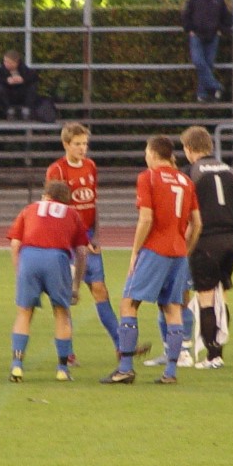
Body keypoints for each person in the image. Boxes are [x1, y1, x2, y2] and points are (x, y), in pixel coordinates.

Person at [46, 121, 150, 362]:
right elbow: (55, 210)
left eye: (85, 143)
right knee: (65, 296)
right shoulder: (56, 170)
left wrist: (95, 236)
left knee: (100, 290)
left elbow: (92, 204)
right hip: (67, 240)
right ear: (66, 144)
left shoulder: (90, 166)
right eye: (77, 144)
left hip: (88, 238)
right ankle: (67, 351)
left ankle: (120, 346)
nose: (82, 148)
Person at [102, 135, 202, 386]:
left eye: (147, 153)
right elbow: (197, 223)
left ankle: (125, 368)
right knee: (172, 308)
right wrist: (185, 248)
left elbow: (146, 218)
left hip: (154, 249)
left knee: (129, 303)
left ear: (154, 154)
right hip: (178, 252)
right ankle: (170, 372)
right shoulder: (186, 181)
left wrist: (135, 251)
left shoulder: (148, 177)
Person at [7, 179, 89, 382]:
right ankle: (62, 369)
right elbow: (82, 252)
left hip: (29, 256)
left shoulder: (29, 209)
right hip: (56, 258)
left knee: (24, 312)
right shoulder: (72, 214)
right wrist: (76, 285)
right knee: (61, 313)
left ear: (46, 196)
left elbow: (15, 244)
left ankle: (17, 366)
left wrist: (19, 272)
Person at [180, 125, 233, 369]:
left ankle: (212, 356)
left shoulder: (191, 172)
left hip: (206, 240)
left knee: (205, 298)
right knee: (221, 295)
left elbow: (186, 209)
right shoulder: (230, 171)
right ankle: (219, 352)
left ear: (189, 148)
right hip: (231, 240)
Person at [181, 0, 232, 102]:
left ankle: (202, 94)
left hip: (212, 37)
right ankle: (217, 86)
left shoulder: (219, 0)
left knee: (208, 65)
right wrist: (189, 29)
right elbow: (185, 15)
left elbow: (227, 19)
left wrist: (221, 30)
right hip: (196, 36)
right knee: (198, 61)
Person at [0, 50, 38, 120]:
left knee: (32, 87)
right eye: (5, 61)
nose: (6, 64)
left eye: (8, 62)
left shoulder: (23, 68)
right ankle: (8, 111)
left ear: (16, 62)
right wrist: (6, 81)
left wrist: (23, 79)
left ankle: (27, 110)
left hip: (21, 94)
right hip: (8, 94)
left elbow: (34, 77)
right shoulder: (1, 69)